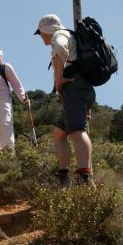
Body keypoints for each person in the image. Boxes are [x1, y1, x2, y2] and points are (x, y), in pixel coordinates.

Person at [34, 14, 95, 188]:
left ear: (46, 30)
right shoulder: (72, 36)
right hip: (83, 89)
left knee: (77, 131)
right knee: (59, 133)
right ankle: (63, 176)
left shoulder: (58, 36)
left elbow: (60, 48)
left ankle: (84, 179)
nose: (40, 37)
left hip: (75, 89)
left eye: (40, 33)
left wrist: (58, 79)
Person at [0, 44, 28, 155]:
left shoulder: (6, 67)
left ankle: (9, 153)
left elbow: (16, 84)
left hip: (4, 100)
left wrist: (23, 98)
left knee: (6, 124)